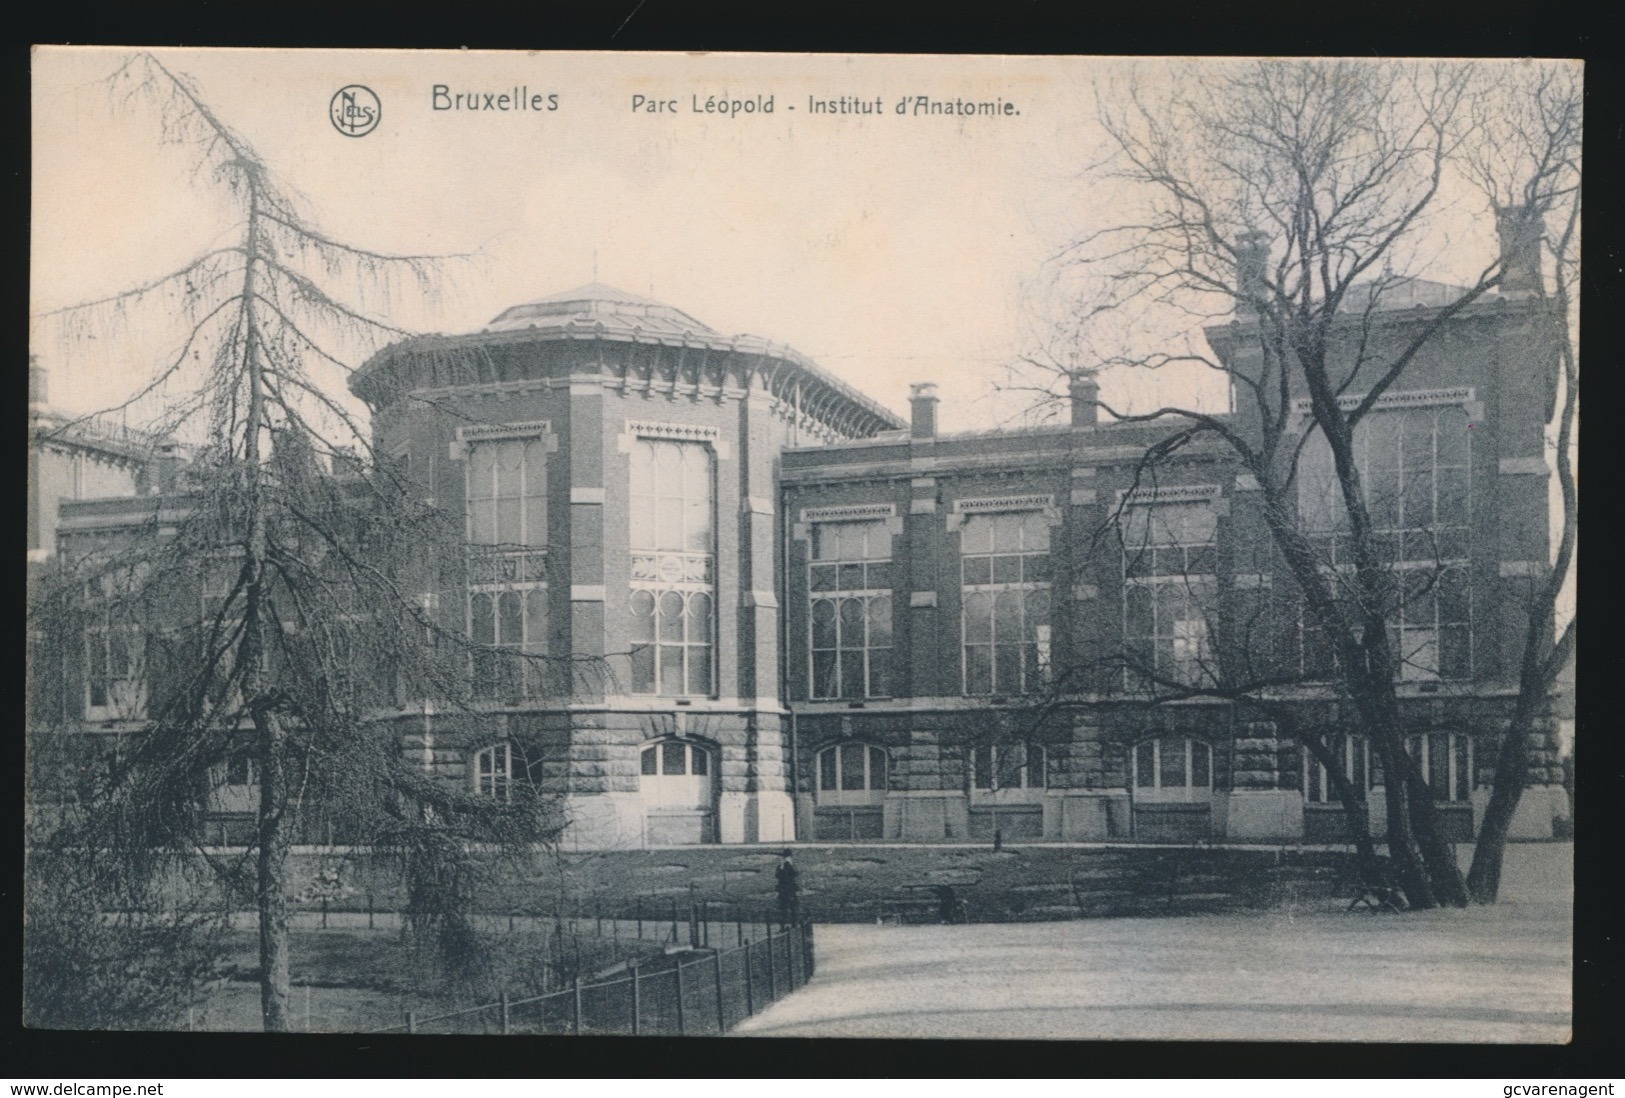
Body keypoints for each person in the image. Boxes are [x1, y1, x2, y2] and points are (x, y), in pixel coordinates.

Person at [775, 850, 801, 928]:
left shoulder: (781, 865)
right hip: (789, 890)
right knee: (792, 907)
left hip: (783, 890)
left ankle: (783, 925)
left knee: (784, 908)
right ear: (789, 856)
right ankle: (793, 924)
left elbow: (777, 875)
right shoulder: (787, 864)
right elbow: (793, 874)